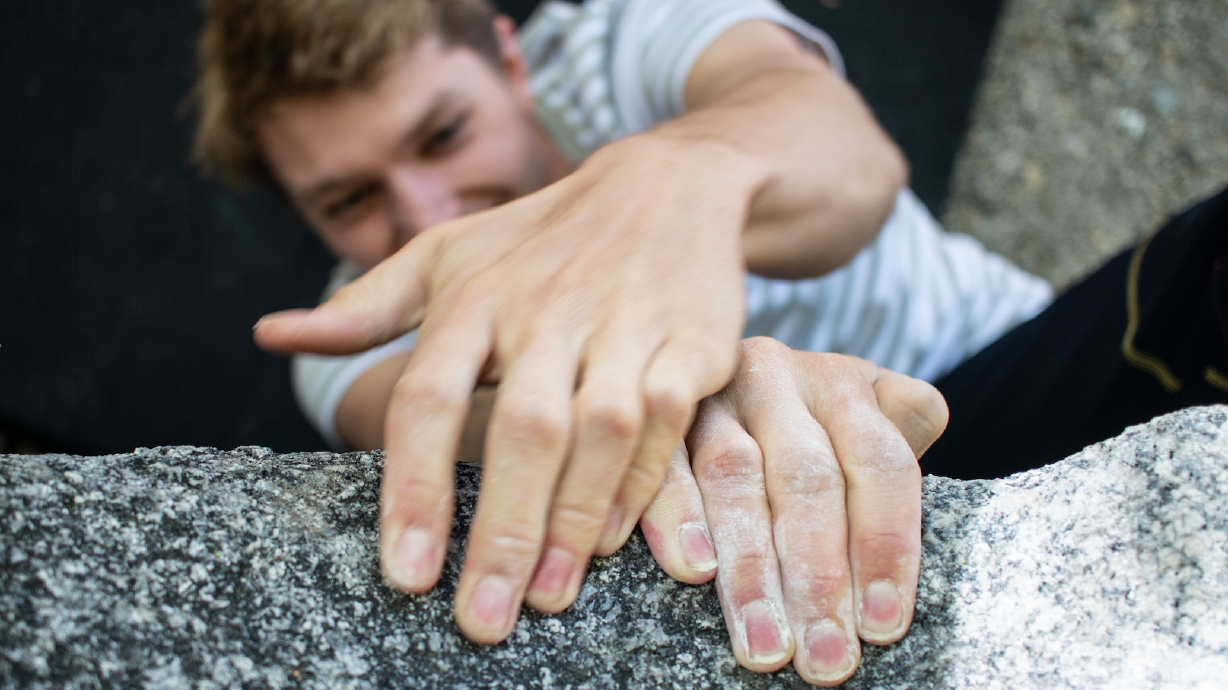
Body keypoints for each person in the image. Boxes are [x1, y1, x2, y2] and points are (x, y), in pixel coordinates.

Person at [195, 0, 1226, 683]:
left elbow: (851, 165)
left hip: (996, 368)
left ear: (511, 61)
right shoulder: (352, 328)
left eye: (442, 135)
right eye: (348, 199)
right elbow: (479, 426)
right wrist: (691, 393)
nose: (426, 213)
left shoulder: (620, 40)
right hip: (796, 509)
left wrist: (676, 174)